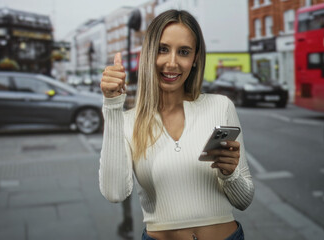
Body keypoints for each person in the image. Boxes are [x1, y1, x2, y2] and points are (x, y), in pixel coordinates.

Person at [99, 10, 254, 240]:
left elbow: (243, 201)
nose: (172, 63)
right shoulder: (129, 121)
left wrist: (229, 174)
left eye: (183, 52)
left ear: (194, 60)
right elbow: (114, 193)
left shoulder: (221, 106)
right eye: (163, 49)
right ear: (149, 54)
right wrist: (112, 106)